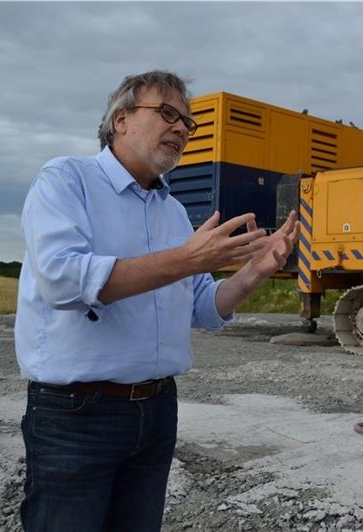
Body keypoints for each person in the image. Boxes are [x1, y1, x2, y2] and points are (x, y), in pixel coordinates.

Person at [15, 70, 299, 530]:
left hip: (156, 411)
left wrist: (254, 273)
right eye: (167, 113)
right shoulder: (67, 180)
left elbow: (203, 306)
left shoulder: (172, 211)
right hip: (75, 415)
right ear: (121, 119)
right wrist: (187, 259)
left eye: (188, 122)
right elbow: (63, 281)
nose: (182, 129)